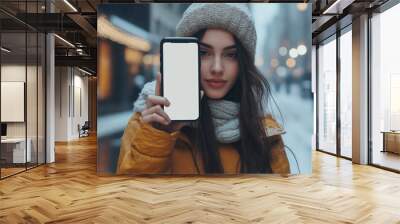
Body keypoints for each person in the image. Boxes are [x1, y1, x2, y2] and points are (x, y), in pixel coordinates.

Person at [116, 3, 290, 174]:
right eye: (204, 53)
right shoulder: (148, 122)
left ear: (243, 63)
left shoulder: (264, 131)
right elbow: (130, 199)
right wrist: (158, 136)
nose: (217, 68)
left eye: (230, 55)